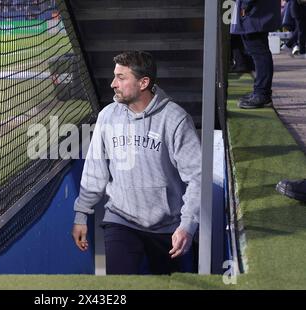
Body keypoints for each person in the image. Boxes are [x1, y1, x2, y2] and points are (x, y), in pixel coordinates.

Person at [71, 51, 201, 275]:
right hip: (121, 219)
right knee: (118, 286)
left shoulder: (175, 119)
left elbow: (198, 177)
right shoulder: (107, 116)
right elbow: (95, 172)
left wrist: (187, 225)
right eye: (114, 76)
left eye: (121, 77)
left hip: (168, 226)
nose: (113, 84)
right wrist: (81, 214)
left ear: (144, 82)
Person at [231, 0, 281, 109]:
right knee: (259, 52)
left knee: (259, 53)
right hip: (257, 11)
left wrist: (245, 5)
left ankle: (262, 94)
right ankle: (261, 92)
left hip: (255, 11)